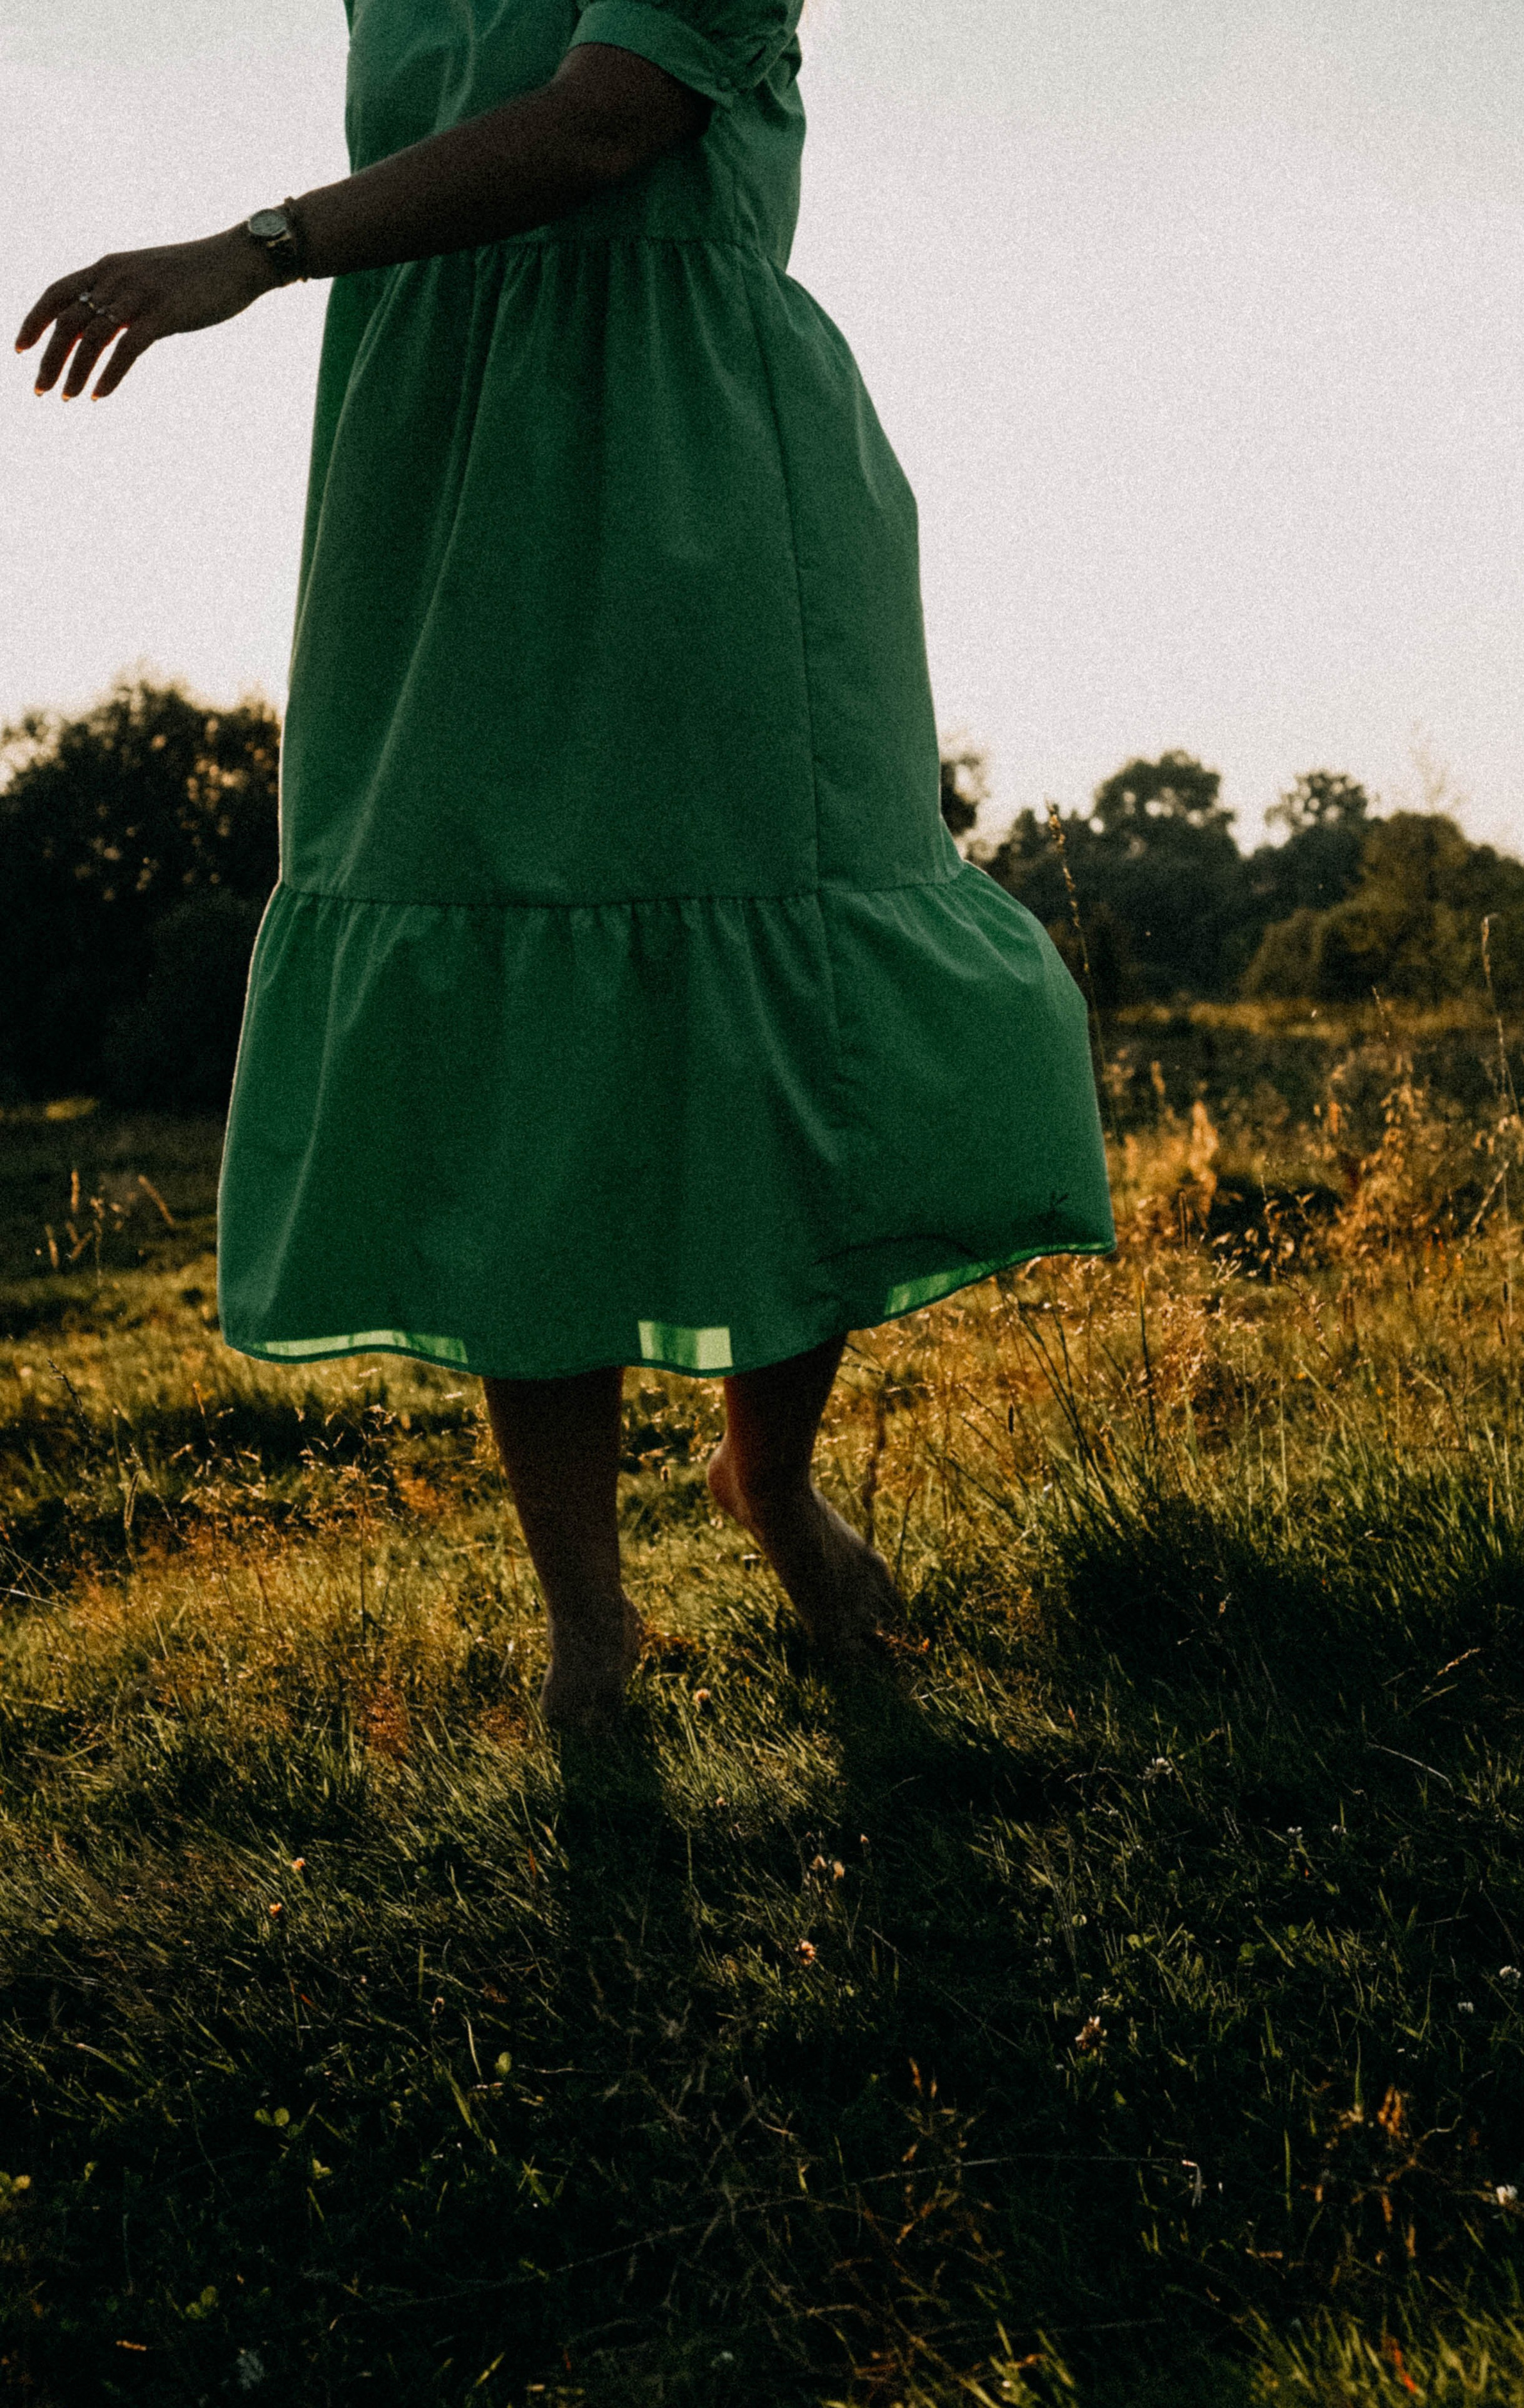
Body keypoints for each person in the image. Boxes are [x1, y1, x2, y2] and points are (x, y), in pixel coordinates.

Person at [17, 0, 1114, 1724]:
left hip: (701, 467)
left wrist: (251, 249)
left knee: (774, 993)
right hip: (437, 472)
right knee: (509, 1015)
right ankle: (587, 1617)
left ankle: (774, 1476)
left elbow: (604, 125)